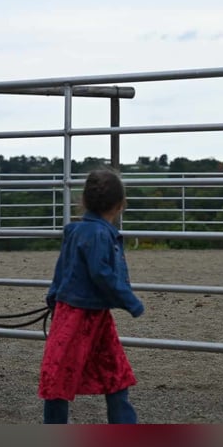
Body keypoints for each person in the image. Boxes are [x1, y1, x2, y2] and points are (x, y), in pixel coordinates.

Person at [39, 167, 144, 424]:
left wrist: (54, 297)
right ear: (121, 205)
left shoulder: (74, 231)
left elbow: (60, 269)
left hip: (78, 313)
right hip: (83, 316)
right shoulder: (99, 234)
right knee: (105, 373)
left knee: (70, 374)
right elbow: (102, 273)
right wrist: (130, 300)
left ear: (84, 201)